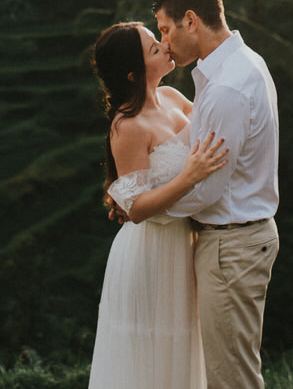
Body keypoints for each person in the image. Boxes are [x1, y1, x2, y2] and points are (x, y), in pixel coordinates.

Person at [154, 0, 280, 389]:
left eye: (166, 30)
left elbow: (207, 188)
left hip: (230, 245)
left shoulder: (227, 87)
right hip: (238, 241)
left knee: (231, 379)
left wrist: (149, 207)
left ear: (191, 20)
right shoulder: (242, 64)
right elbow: (196, 154)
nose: (165, 43)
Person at [88, 20, 229, 389]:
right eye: (153, 47)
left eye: (158, 38)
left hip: (185, 246)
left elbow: (213, 125)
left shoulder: (170, 98)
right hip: (150, 254)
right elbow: (134, 208)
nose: (164, 45)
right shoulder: (128, 125)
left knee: (183, 348)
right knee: (150, 354)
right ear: (134, 74)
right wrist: (189, 177)